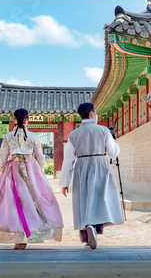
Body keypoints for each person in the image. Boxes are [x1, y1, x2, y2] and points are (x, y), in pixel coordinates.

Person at [0, 108, 63, 249]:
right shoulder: (33, 137)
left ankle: (19, 237)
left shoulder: (8, 136)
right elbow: (40, 157)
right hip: (31, 169)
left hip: (12, 170)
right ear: (28, 119)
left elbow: (2, 157)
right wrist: (40, 174)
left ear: (14, 119)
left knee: (14, 204)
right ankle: (29, 232)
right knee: (30, 202)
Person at [60, 102, 124, 250]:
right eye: (96, 112)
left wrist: (65, 182)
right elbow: (113, 153)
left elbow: (68, 159)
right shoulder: (103, 131)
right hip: (100, 165)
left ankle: (88, 230)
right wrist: (115, 140)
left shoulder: (73, 134)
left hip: (82, 166)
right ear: (91, 114)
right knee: (100, 199)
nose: (97, 115)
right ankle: (93, 227)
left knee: (85, 200)